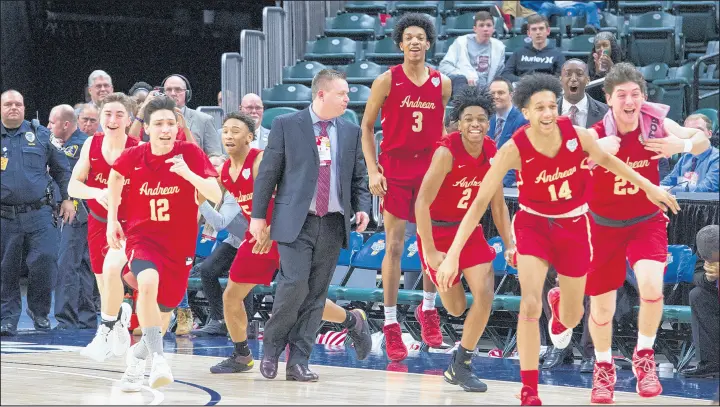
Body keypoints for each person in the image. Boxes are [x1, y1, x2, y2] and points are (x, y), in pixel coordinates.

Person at [436, 73, 679, 405]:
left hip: (575, 225)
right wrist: (452, 255)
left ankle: (560, 305)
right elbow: (480, 202)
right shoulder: (513, 147)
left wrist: (650, 187)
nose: (548, 113)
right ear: (525, 111)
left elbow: (610, 162)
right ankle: (529, 388)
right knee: (529, 305)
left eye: (552, 105)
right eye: (540, 108)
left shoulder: (575, 134)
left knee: (574, 315)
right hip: (533, 226)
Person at [581, 63, 712, 403]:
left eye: (635, 94)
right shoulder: (595, 132)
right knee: (602, 305)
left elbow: (701, 139)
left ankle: (644, 357)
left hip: (645, 220)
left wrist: (677, 146)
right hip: (603, 225)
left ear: (643, 97)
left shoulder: (656, 124)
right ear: (609, 99)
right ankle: (604, 366)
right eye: (621, 94)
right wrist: (593, 152)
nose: (629, 100)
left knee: (652, 289)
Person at [210, 112, 371, 374]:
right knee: (231, 295)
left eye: (236, 130)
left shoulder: (261, 159)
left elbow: (289, 193)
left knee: (304, 299)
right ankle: (241, 355)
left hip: (286, 230)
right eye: (225, 130)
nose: (229, 135)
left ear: (250, 136)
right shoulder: (225, 172)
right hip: (258, 237)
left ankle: (352, 320)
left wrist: (272, 228)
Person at [249, 69, 371, 381]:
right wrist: (258, 217)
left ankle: (298, 361)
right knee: (294, 286)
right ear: (321, 94)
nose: (348, 99)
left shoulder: (348, 131)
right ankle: (272, 348)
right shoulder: (286, 125)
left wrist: (363, 209)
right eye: (342, 94)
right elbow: (268, 175)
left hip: (332, 222)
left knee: (317, 294)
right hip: (295, 222)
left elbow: (359, 177)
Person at [107, 95, 221, 390]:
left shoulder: (190, 154)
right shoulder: (136, 154)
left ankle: (135, 364)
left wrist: (187, 173)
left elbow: (216, 194)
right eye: (158, 124)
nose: (165, 129)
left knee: (162, 315)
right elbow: (115, 177)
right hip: (142, 237)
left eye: (171, 123)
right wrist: (112, 220)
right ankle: (158, 358)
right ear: (146, 128)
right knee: (146, 282)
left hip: (180, 246)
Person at [360, 13, 452, 361]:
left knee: (431, 244)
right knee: (395, 247)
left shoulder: (442, 83)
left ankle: (428, 309)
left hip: (429, 170)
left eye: (420, 37)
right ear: (400, 44)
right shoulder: (386, 80)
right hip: (396, 170)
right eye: (408, 37)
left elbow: (439, 127)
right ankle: (390, 323)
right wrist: (373, 170)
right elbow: (367, 128)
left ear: (429, 43)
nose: (414, 42)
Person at [415, 86, 515, 392]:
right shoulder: (446, 152)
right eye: (468, 118)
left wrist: (510, 242)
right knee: (457, 308)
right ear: (458, 122)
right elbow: (421, 203)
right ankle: (426, 309)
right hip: (436, 232)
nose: (475, 123)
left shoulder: (493, 151)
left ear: (488, 123)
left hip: (467, 230)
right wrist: (430, 251)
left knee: (485, 296)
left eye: (481, 118)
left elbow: (497, 204)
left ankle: (461, 364)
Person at [69, 93, 138, 360]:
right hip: (98, 223)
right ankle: (118, 321)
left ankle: (110, 328)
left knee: (118, 272)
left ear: (128, 119)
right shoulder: (91, 144)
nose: (112, 119)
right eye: (108, 114)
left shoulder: (137, 147)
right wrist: (97, 192)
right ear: (100, 118)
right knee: (104, 285)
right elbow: (72, 185)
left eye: (119, 114)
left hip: (129, 225)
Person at [1, 90, 75, 336]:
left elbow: (62, 169)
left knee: (45, 260)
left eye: (18, 104)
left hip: (40, 213)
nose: (14, 108)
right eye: (8, 104)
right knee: (6, 269)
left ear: (24, 107)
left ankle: (40, 312)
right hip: (4, 215)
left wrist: (67, 199)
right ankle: (8, 317)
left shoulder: (41, 135)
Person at [48, 104, 97, 330]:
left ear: (65, 124)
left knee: (68, 264)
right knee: (85, 266)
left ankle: (67, 318)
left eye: (51, 122)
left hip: (76, 212)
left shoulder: (76, 146)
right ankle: (85, 318)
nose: (48, 127)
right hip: (89, 213)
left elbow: (60, 172)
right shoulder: (83, 145)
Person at [681, 225, 719, 379]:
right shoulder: (706, 247)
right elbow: (695, 273)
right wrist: (708, 278)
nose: (707, 261)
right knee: (697, 295)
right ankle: (711, 363)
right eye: (705, 258)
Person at [439, 11, 506, 96]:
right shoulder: (461, 42)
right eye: (481, 25)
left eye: (489, 25)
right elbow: (444, 65)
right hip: (466, 86)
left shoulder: (499, 47)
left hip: (488, 91)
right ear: (475, 29)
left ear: (493, 29)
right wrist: (464, 75)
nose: (485, 29)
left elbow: (499, 73)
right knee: (460, 80)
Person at [162, 74, 223, 157]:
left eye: (178, 89)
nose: (173, 93)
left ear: (187, 94)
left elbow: (215, 155)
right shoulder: (153, 119)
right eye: (168, 89)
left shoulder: (204, 120)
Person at [660, 113, 719, 193]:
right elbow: (667, 182)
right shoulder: (685, 158)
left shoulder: (716, 158)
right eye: (689, 131)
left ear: (709, 134)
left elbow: (705, 189)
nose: (694, 135)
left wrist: (670, 190)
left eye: (699, 131)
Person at [488, 77, 529, 187]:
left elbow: (519, 159)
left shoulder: (523, 120)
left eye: (501, 93)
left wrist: (498, 184)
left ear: (511, 95)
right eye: (492, 93)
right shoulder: (487, 119)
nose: (496, 96)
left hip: (510, 185)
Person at [500, 14, 565, 83]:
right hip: (522, 88)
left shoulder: (557, 55)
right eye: (534, 29)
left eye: (541, 28)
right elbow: (506, 74)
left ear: (548, 31)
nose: (538, 32)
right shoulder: (518, 53)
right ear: (529, 33)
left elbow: (560, 77)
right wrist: (525, 82)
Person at [559, 59, 608, 128]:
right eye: (568, 74)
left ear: (588, 80)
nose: (573, 79)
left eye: (579, 74)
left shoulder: (605, 112)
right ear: (561, 80)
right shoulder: (549, 111)